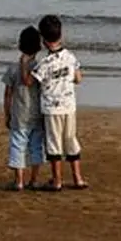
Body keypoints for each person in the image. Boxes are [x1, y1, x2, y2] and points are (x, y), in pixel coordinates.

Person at [24, 14, 87, 191]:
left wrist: (25, 63)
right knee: (71, 140)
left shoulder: (44, 64)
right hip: (69, 106)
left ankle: (57, 180)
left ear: (43, 40)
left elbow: (29, 81)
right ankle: (78, 178)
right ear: (61, 35)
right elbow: (78, 78)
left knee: (54, 144)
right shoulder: (70, 57)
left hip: (51, 109)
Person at [2, 26, 45, 191]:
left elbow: (7, 95)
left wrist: (7, 114)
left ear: (20, 44)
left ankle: (19, 180)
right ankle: (34, 179)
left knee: (18, 145)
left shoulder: (13, 69)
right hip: (36, 114)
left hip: (19, 114)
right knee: (35, 146)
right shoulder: (40, 68)